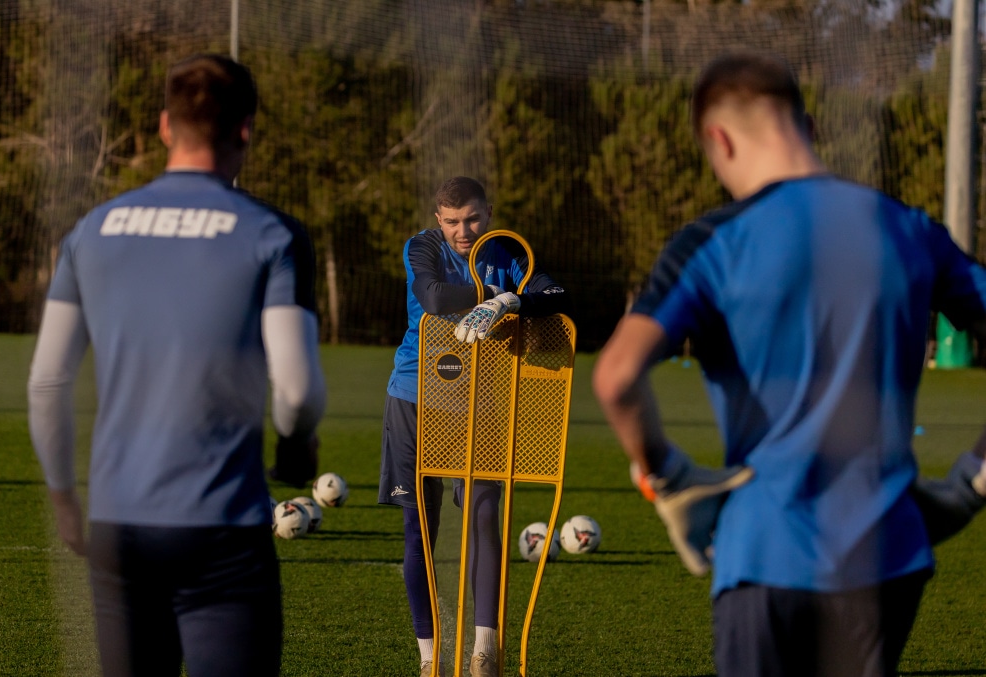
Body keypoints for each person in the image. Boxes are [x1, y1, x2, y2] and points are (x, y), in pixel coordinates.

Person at [592, 51, 986, 677]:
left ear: (717, 139)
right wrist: (972, 480)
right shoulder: (910, 230)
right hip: (889, 559)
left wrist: (667, 478)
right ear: (809, 127)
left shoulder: (714, 243)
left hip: (767, 553)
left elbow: (616, 375)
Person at [27, 54, 326, 677]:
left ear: (165, 127)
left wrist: (63, 498)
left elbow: (47, 382)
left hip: (120, 525)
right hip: (223, 528)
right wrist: (296, 445)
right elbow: (296, 390)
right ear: (245, 129)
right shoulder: (274, 234)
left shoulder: (91, 230)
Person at [379, 176, 570, 677]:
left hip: (481, 406)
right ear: (438, 218)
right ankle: (428, 658)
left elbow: (558, 293)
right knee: (419, 529)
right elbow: (436, 298)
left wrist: (512, 302)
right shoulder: (421, 246)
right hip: (414, 398)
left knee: (484, 518)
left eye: (473, 219)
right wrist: (489, 292)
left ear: (489, 212)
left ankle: (485, 651)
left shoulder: (507, 251)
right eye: (452, 221)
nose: (463, 231)